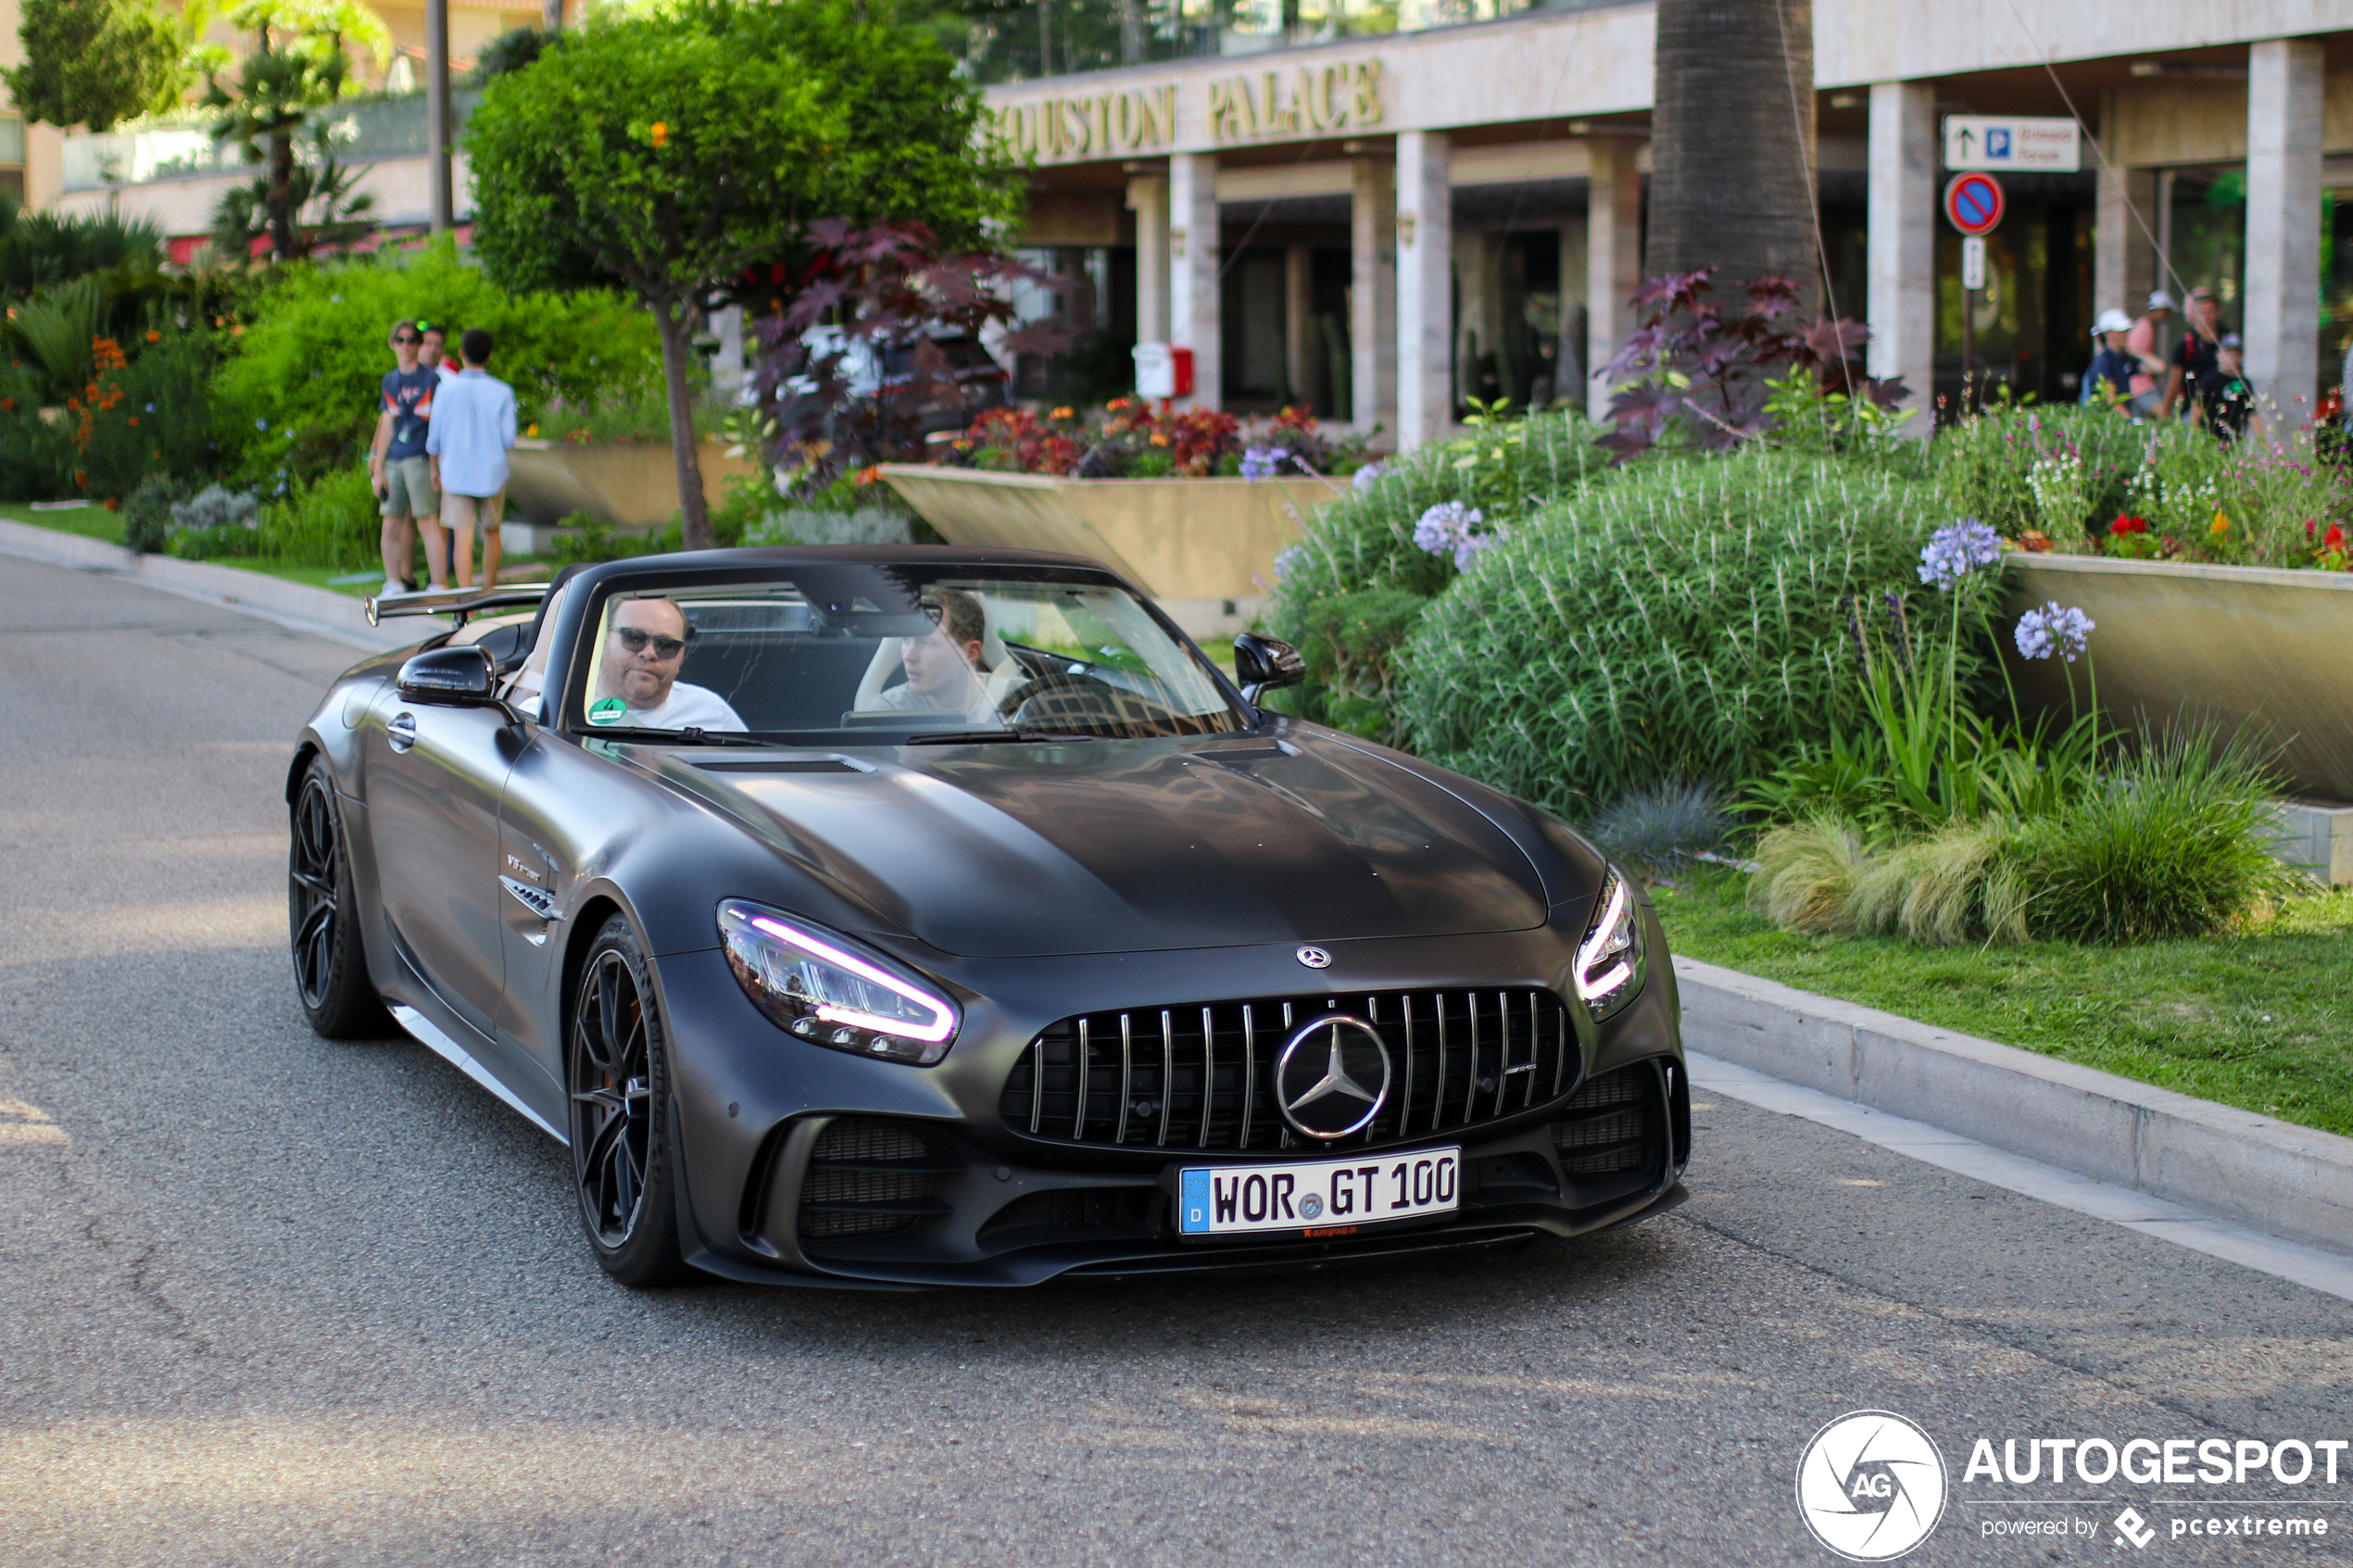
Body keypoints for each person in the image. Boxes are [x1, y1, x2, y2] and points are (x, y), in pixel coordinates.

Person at [426, 328, 518, 590]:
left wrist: (435, 470)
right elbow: (508, 438)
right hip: (493, 472)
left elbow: (434, 437)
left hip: (455, 472)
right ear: (489, 355)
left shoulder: (446, 389)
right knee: (492, 531)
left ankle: (467, 600)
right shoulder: (503, 391)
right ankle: (489, 592)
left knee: (462, 537)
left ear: (461, 354)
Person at [585, 597, 746, 731]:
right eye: (634, 637)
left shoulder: (713, 713)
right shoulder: (569, 708)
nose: (649, 653)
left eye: (666, 645)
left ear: (680, 656)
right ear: (604, 642)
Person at [367, 319, 436, 593]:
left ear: (418, 345)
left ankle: (438, 582)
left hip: (419, 455)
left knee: (426, 521)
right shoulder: (390, 379)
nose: (405, 345)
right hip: (395, 457)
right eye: (400, 340)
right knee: (391, 521)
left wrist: (436, 464)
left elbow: (437, 423)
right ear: (392, 344)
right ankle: (393, 581)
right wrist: (377, 465)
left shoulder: (431, 379)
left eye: (411, 340)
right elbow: (386, 422)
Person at [867, 590, 996, 721]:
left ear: (970, 653)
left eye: (926, 643)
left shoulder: (1011, 700)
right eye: (906, 640)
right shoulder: (889, 713)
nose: (908, 656)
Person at [2158, 287, 2224, 420]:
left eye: (2210, 312)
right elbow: (2174, 382)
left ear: (2218, 312)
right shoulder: (2185, 344)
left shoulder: (2228, 340)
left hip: (2224, 410)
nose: (2206, 317)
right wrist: (2165, 414)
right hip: (2193, 412)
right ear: (2194, 315)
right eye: (2201, 312)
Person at [2193, 332, 2260, 444]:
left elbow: (2252, 414)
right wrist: (2194, 438)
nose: (2231, 357)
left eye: (2235, 354)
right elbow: (2196, 410)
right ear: (2218, 354)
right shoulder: (2208, 381)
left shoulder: (2243, 383)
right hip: (2210, 441)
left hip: (2233, 442)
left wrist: (2264, 445)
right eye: (2227, 353)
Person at [2125, 290, 2173, 415]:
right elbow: (2132, 351)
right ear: (2159, 310)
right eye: (2167, 310)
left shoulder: (2147, 326)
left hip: (2141, 386)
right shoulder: (2144, 327)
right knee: (2165, 415)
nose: (2168, 314)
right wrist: (2153, 366)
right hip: (2141, 387)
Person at [2081, 309, 2138, 406]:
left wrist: (2132, 350)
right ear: (2107, 333)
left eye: (2126, 330)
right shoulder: (2103, 361)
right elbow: (2111, 400)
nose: (2125, 334)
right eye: (2120, 331)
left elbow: (2159, 367)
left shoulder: (2124, 358)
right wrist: (2128, 420)